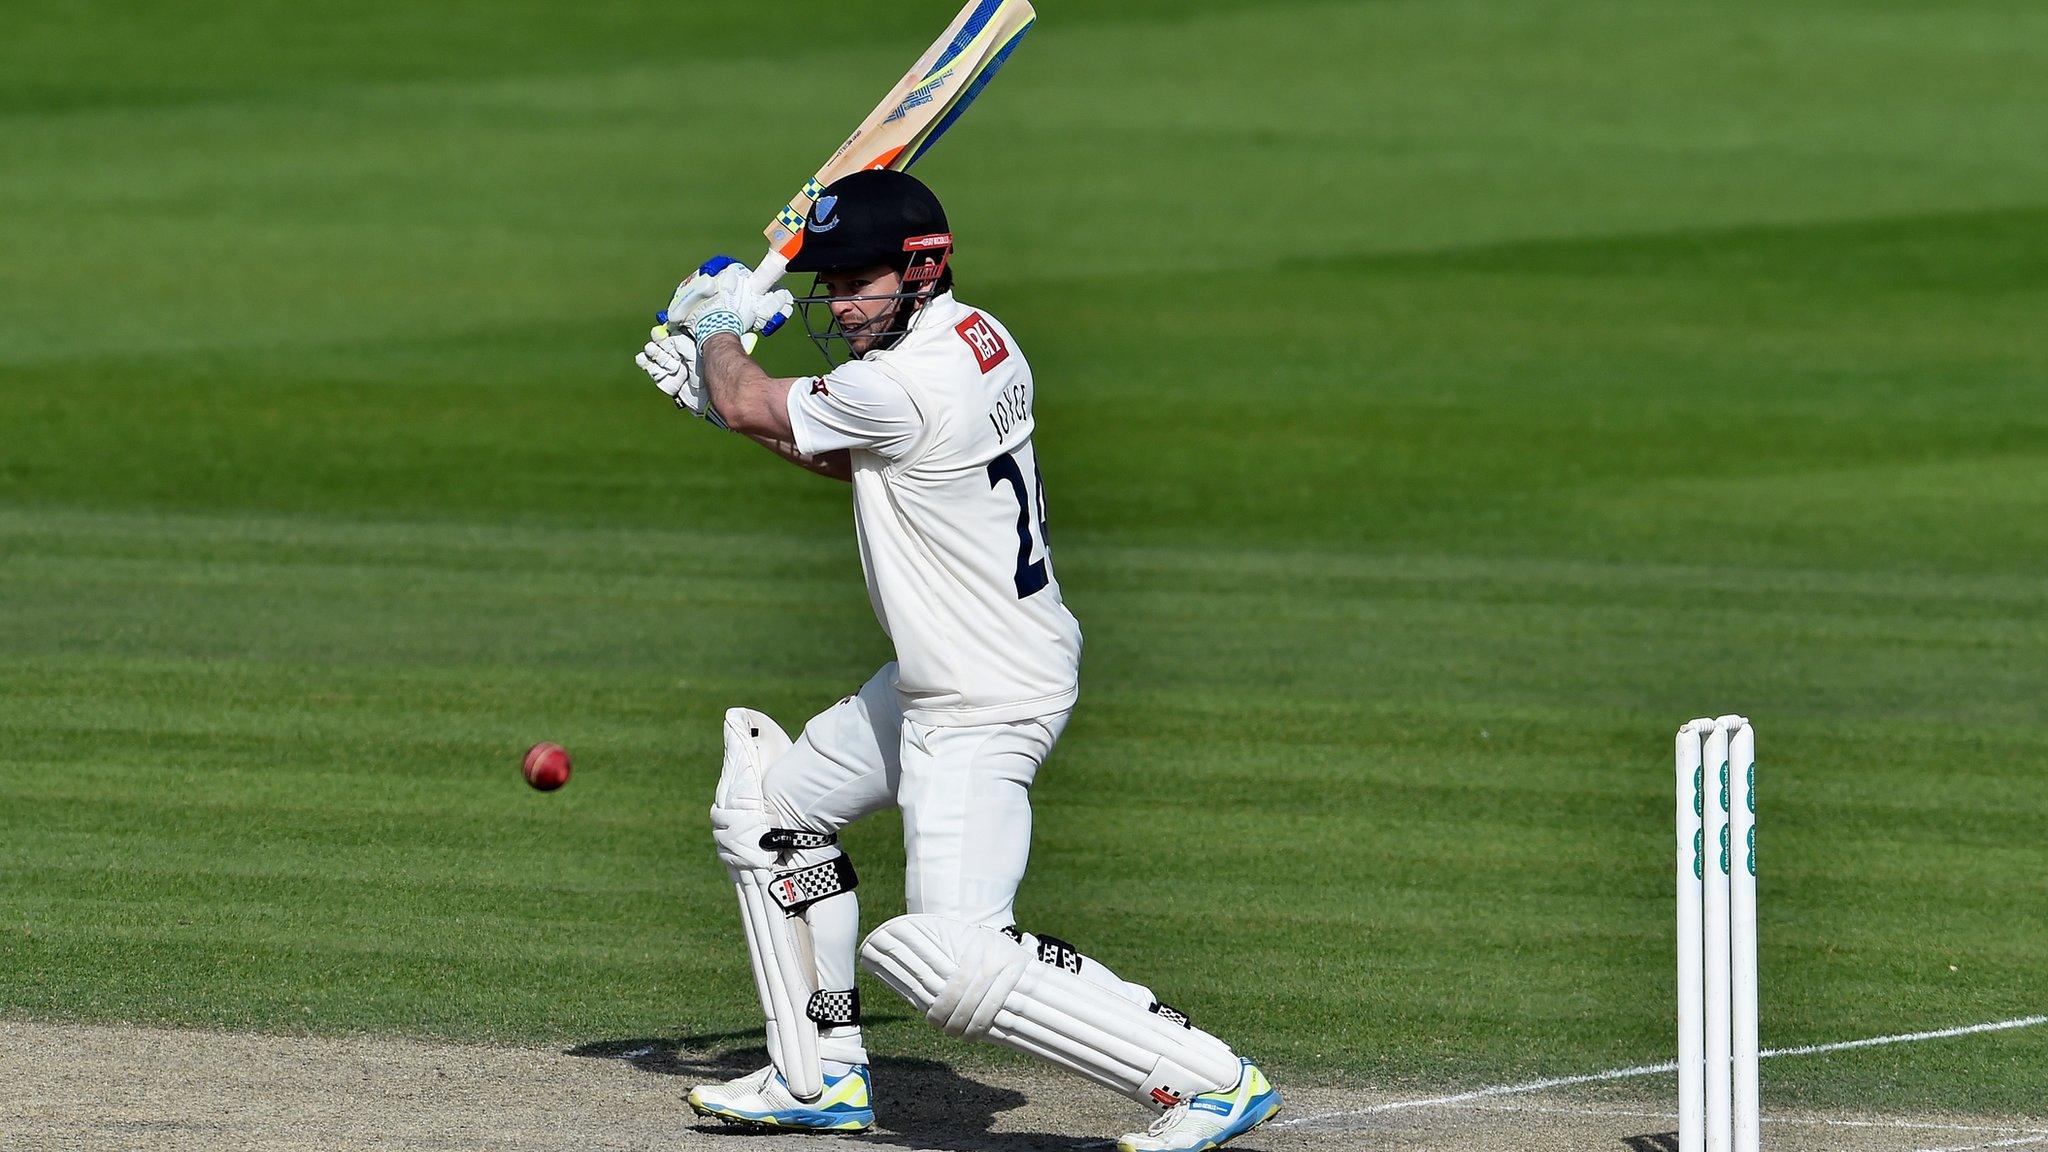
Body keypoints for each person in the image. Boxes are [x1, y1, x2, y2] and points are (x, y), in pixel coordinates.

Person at [634, 169, 1281, 1152]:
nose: (837, 304)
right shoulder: (976, 337)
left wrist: (719, 332)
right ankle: (820, 1072)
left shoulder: (903, 380)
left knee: (946, 959)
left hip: (981, 697)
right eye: (831, 283)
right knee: (772, 808)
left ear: (920, 270)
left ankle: (1205, 1079)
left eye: (856, 283)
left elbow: (771, 403)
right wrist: (722, 401)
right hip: (958, 669)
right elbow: (841, 448)